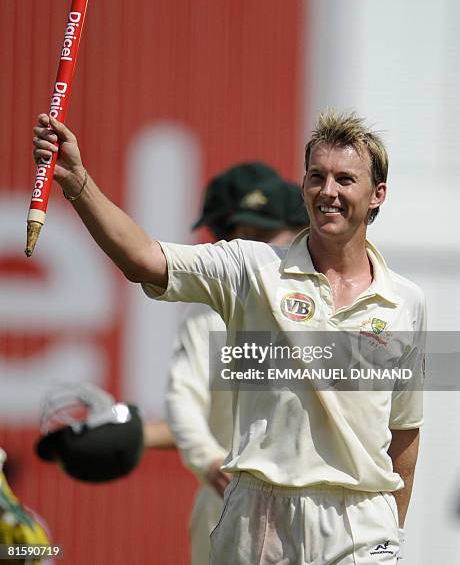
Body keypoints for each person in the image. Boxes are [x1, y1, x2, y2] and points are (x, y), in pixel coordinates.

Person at [32, 109, 425, 564]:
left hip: (360, 522)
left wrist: (392, 533)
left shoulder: (408, 301)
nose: (328, 192)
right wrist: (78, 183)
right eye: (316, 177)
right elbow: (142, 259)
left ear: (378, 195)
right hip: (261, 517)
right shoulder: (250, 267)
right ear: (302, 187)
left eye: (344, 179)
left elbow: (405, 433)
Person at [162, 166, 308, 565]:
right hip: (229, 508)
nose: (243, 250)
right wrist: (209, 459)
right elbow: (182, 397)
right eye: (228, 236)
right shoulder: (209, 309)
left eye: (261, 236)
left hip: (313, 516)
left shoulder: (334, 301)